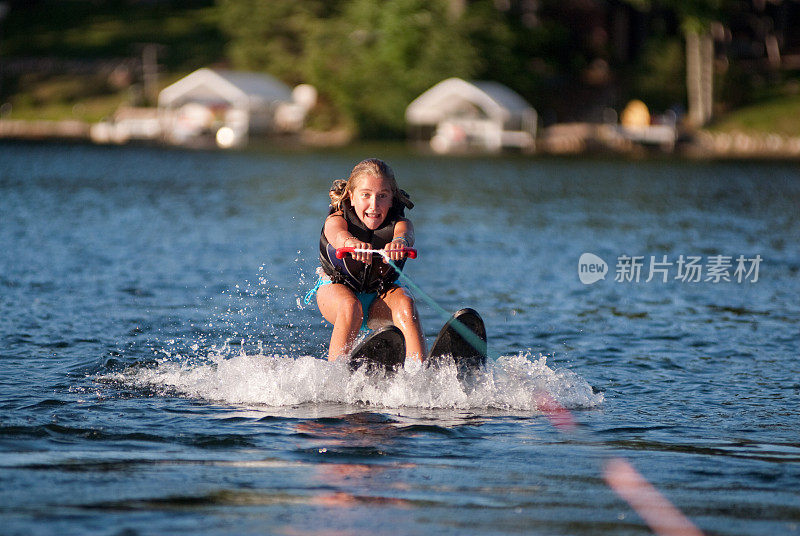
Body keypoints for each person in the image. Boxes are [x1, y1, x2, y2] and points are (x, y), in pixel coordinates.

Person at [308, 158, 426, 362]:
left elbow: (405, 235)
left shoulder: (401, 224)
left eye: (382, 196)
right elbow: (337, 235)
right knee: (350, 306)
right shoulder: (336, 220)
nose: (374, 205)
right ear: (352, 197)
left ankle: (420, 373)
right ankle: (336, 378)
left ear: (392, 199)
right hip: (336, 292)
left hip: (379, 299)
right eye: (366, 195)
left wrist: (399, 242)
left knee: (406, 303)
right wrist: (351, 243)